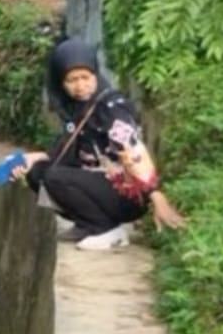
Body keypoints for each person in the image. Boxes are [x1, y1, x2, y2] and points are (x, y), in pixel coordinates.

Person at [12, 38, 185, 249]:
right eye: (71, 80)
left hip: (127, 194)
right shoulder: (77, 108)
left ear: (96, 74)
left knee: (54, 177)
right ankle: (87, 224)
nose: (80, 85)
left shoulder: (110, 108)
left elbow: (133, 152)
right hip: (99, 183)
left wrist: (156, 195)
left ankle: (106, 229)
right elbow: (63, 150)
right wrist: (33, 158)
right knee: (37, 173)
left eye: (85, 77)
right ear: (61, 83)